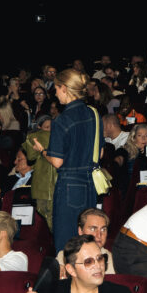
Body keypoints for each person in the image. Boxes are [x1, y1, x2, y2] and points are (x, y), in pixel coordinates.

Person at [32, 68, 101, 253]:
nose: (55, 93)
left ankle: (66, 281)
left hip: (69, 186)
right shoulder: (94, 114)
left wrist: (42, 150)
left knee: (66, 247)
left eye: (56, 88)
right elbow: (100, 153)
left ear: (64, 88)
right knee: (87, 243)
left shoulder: (62, 120)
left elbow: (57, 162)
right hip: (90, 184)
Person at [55, 208, 115, 276]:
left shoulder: (113, 262)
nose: (99, 235)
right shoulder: (63, 256)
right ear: (80, 231)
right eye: (93, 229)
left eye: (103, 229)